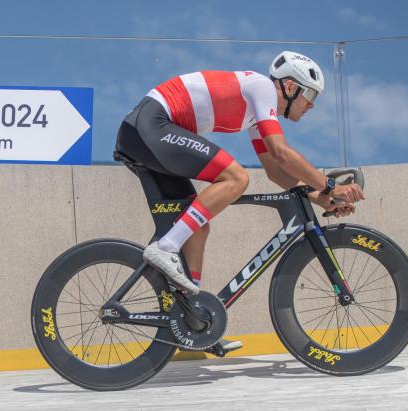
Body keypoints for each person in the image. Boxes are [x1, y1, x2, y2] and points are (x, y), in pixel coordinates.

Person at [115, 50, 365, 352]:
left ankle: (191, 322)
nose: (312, 103)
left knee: (197, 226)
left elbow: (276, 171)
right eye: (310, 94)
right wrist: (329, 184)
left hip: (148, 131)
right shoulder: (261, 87)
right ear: (289, 87)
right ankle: (165, 248)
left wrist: (320, 197)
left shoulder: (257, 115)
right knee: (236, 178)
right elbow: (281, 153)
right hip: (151, 125)